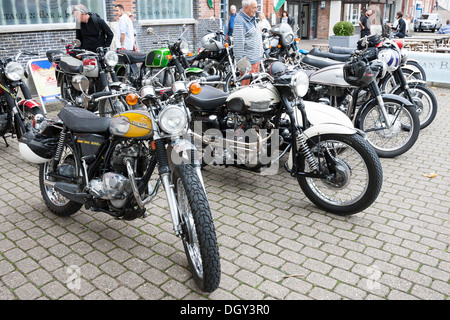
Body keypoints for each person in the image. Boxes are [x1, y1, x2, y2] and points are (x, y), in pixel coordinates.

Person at [233, 0, 263, 85]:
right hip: (249, 65)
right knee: (246, 91)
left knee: (254, 88)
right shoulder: (240, 21)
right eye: (254, 7)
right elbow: (238, 47)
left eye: (257, 7)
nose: (256, 10)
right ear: (246, 7)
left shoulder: (251, 18)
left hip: (256, 60)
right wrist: (243, 66)